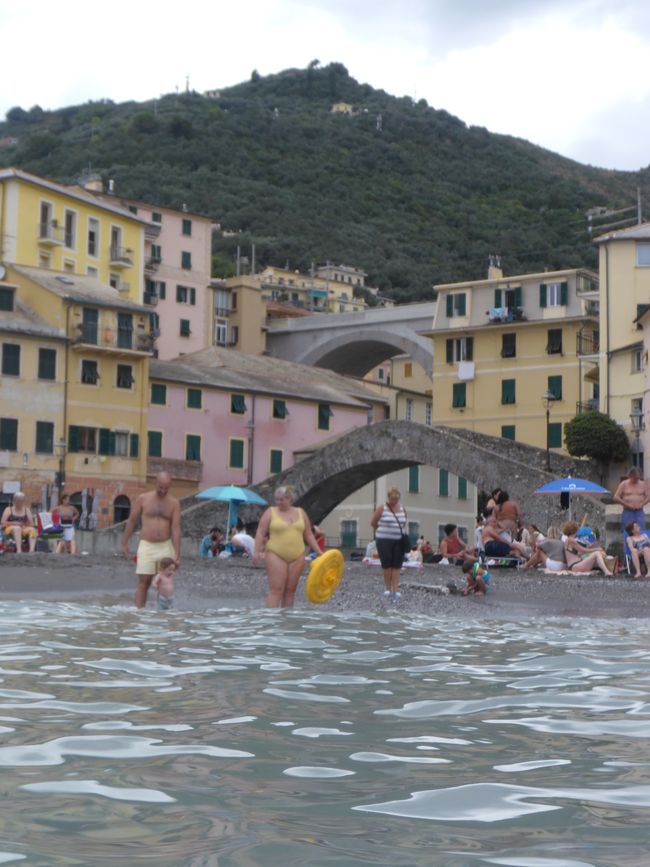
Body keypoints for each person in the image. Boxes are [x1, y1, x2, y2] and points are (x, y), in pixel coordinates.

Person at [253, 485, 322, 608]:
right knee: (276, 590)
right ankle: (271, 620)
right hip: (276, 554)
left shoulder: (301, 512)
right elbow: (260, 532)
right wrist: (256, 552)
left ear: (290, 499)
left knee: (290, 592)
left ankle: (286, 622)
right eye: (277, 500)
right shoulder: (271, 512)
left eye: (282, 500)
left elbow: (309, 535)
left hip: (297, 555)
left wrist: (320, 552)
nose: (279, 502)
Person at [121, 472, 181, 608]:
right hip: (147, 545)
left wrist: (177, 554)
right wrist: (124, 543)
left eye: (166, 488)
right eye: (160, 487)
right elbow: (131, 521)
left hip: (165, 545)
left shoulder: (174, 503)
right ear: (156, 483)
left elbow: (176, 529)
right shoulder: (143, 499)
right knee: (144, 582)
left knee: (165, 580)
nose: (163, 491)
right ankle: (139, 613)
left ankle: (163, 614)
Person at [370, 486, 408, 600]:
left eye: (396, 499)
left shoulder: (402, 509)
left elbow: (404, 522)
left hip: (398, 540)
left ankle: (396, 590)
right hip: (384, 540)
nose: (394, 501)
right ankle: (387, 588)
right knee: (387, 565)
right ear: (389, 498)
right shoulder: (382, 508)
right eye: (392, 499)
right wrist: (382, 530)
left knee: (397, 565)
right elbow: (373, 522)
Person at [613, 467, 650, 531]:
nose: (637, 479)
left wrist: (641, 504)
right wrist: (627, 505)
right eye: (635, 478)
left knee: (641, 530)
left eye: (638, 478)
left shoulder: (643, 484)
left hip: (639, 511)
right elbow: (616, 497)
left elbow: (648, 497)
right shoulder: (624, 484)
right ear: (630, 476)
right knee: (627, 530)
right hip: (628, 511)